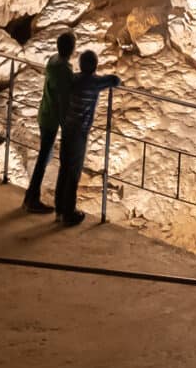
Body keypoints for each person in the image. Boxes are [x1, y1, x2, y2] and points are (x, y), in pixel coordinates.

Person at [52, 50, 122, 227]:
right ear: (94, 67)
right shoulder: (93, 82)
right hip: (78, 133)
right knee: (74, 172)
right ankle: (69, 213)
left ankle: (59, 209)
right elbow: (115, 81)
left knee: (64, 168)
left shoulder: (74, 79)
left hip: (66, 128)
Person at [22, 33, 77, 214]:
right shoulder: (63, 70)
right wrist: (66, 123)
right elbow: (62, 99)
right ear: (72, 49)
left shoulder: (53, 60)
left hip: (44, 113)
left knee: (45, 155)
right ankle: (32, 199)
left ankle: (30, 196)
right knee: (43, 158)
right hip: (52, 118)